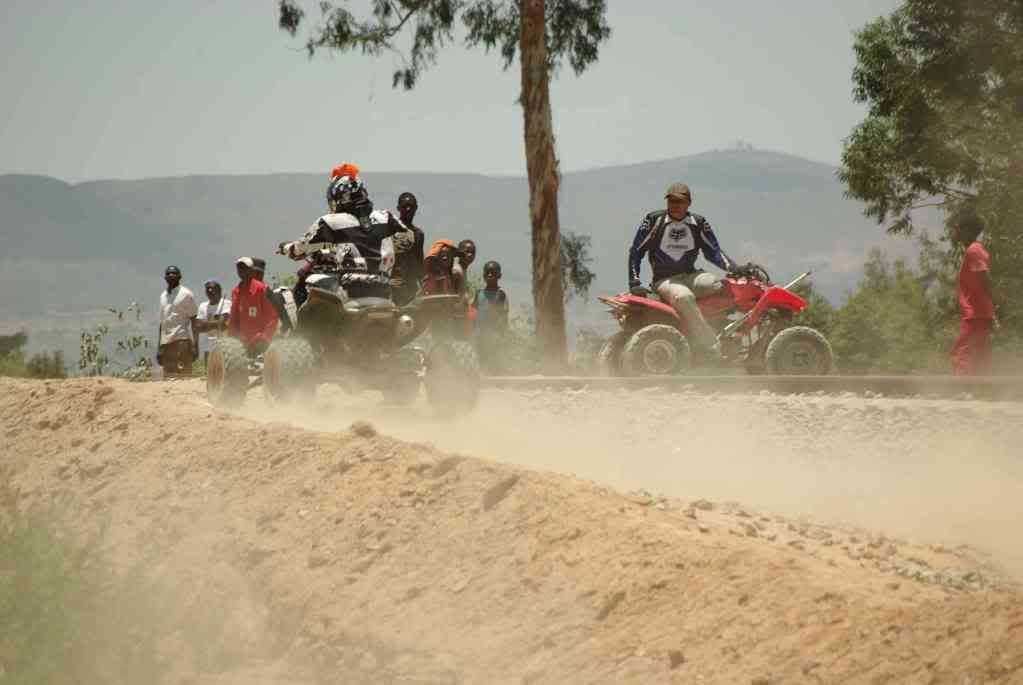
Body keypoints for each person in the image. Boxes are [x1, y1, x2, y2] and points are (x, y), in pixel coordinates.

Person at [627, 182, 737, 360]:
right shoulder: (654, 220)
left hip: (692, 275)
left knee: (719, 285)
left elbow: (713, 252)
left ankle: (728, 327)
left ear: (689, 203)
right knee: (684, 297)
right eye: (672, 201)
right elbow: (636, 251)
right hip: (664, 280)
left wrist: (735, 268)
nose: (676, 205)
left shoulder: (698, 223)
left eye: (680, 201)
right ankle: (711, 345)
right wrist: (634, 281)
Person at [279, 173, 406, 300]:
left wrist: (286, 247)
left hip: (350, 292)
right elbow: (407, 240)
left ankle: (306, 321)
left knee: (311, 284)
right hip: (385, 290)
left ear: (340, 197)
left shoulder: (330, 222)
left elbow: (299, 249)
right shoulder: (386, 217)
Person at [950, 207, 997, 376]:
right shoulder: (975, 250)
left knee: (962, 352)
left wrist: (992, 307)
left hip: (975, 313)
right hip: (980, 313)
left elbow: (985, 277)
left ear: (968, 230)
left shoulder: (974, 250)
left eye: (959, 228)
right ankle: (982, 390)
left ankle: (961, 388)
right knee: (980, 354)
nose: (956, 231)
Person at [228, 257, 278, 355]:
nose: (242, 271)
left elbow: (272, 317)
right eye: (239, 268)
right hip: (241, 343)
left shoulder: (261, 289)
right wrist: (232, 340)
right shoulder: (236, 291)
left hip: (261, 343)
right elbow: (233, 318)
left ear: (251, 271)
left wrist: (264, 337)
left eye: (245, 268)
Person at [157, 265, 199, 378]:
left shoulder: (186, 294)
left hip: (182, 342)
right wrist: (159, 347)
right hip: (166, 344)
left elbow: (194, 320)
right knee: (168, 378)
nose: (171, 275)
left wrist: (195, 345)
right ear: (165, 277)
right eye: (168, 273)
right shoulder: (163, 296)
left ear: (180, 276)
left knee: (184, 378)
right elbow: (162, 323)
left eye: (174, 273)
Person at [472, 260, 509, 374]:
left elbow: (502, 315)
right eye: (487, 272)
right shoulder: (479, 293)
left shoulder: (501, 294)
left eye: (493, 273)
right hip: (479, 333)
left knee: (494, 359)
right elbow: (473, 311)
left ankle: (497, 381)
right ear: (483, 275)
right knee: (481, 358)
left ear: (499, 276)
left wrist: (501, 333)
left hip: (495, 334)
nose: (489, 275)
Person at [391, 192, 426, 306]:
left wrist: (424, 284)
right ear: (398, 208)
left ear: (416, 208)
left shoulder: (418, 234)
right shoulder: (390, 230)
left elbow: (419, 261)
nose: (408, 209)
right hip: (392, 286)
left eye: (411, 206)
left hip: (410, 288)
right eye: (405, 206)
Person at [194, 280, 231, 367]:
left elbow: (222, 323)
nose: (210, 291)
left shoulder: (226, 303)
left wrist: (205, 324)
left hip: (224, 344)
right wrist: (216, 323)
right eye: (208, 289)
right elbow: (198, 327)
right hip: (208, 345)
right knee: (209, 373)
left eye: (213, 288)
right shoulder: (203, 306)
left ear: (219, 291)